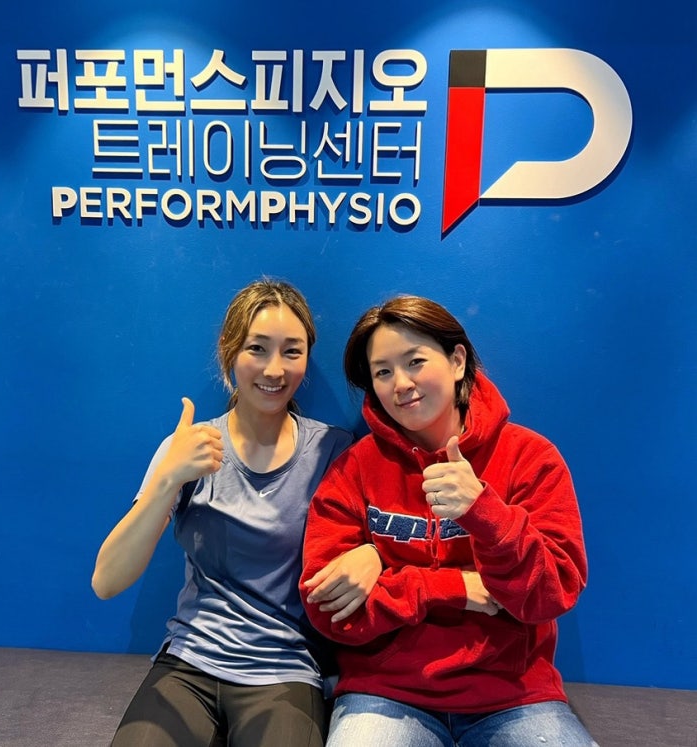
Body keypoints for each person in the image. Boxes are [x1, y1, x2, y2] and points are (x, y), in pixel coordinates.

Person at [92, 279, 380, 747]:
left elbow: (393, 537)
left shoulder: (333, 451)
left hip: (285, 670)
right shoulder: (187, 448)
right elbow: (106, 581)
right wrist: (168, 480)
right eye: (256, 348)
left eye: (291, 351)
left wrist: (375, 555)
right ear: (230, 352)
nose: (274, 369)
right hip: (190, 661)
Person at [300, 295, 599, 747]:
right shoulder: (354, 469)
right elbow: (329, 612)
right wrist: (452, 588)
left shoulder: (530, 458)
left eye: (415, 362)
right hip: (386, 695)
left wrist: (484, 512)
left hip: (513, 697)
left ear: (457, 361)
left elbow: (553, 592)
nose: (401, 384)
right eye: (383, 372)